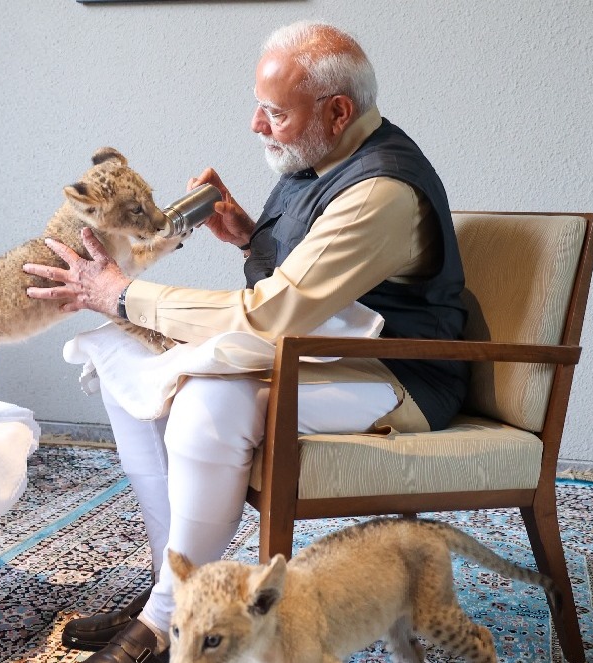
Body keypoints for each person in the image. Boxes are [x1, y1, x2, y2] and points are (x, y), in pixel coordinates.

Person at [23, 20, 468, 663]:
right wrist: (248, 236)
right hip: (328, 345)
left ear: (337, 111)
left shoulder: (380, 190)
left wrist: (122, 293)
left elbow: (273, 312)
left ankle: (162, 621)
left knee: (212, 399)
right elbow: (309, 278)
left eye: (274, 113)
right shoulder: (321, 155)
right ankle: (171, 590)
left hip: (399, 373)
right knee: (122, 356)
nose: (257, 126)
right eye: (260, 107)